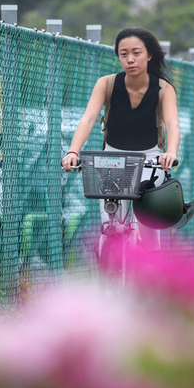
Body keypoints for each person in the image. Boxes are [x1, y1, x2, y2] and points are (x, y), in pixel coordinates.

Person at [61, 27, 182, 251]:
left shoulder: (164, 89)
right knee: (110, 222)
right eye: (123, 54)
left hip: (150, 159)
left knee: (148, 225)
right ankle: (108, 268)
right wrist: (72, 152)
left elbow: (173, 123)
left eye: (136, 53)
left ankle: (151, 275)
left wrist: (171, 152)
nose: (130, 59)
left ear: (149, 55)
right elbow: (87, 120)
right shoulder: (106, 84)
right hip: (112, 158)